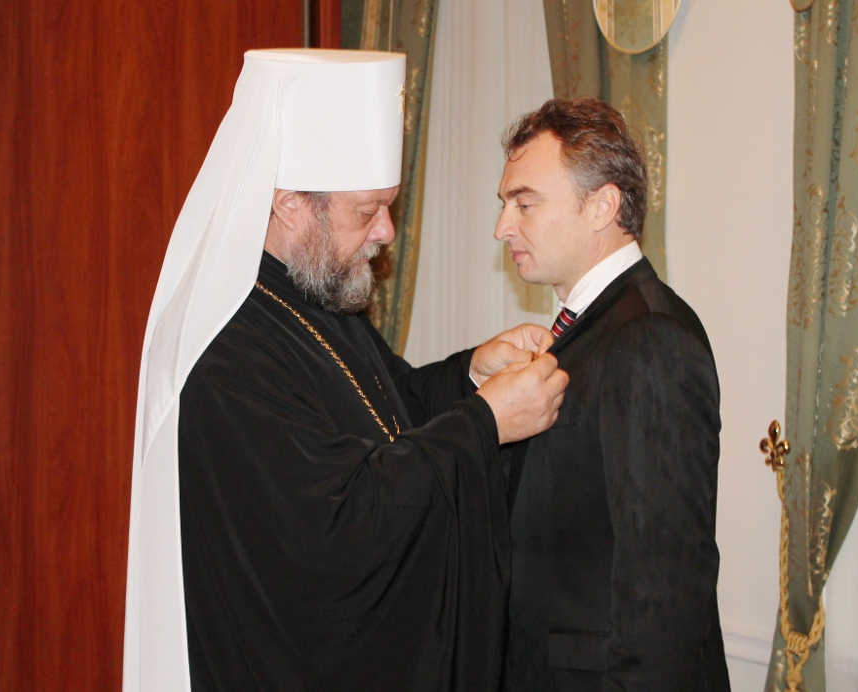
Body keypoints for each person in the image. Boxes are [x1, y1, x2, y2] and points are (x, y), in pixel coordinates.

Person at [123, 49, 567, 691]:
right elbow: (335, 526)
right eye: (366, 211)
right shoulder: (226, 352)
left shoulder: (313, 293)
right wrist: (484, 421)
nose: (386, 231)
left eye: (389, 206)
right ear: (290, 204)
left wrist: (471, 376)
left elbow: (391, 407)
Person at [495, 98, 730, 691]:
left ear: (603, 205)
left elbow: (664, 590)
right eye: (504, 205)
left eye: (525, 203)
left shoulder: (649, 337)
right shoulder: (590, 329)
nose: (503, 227)